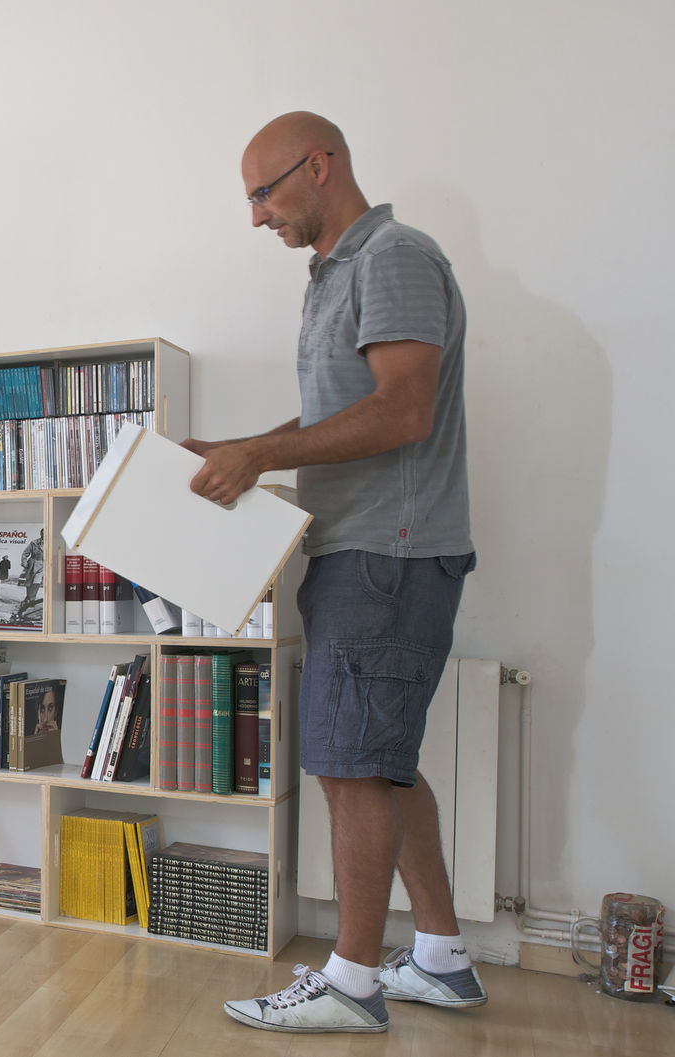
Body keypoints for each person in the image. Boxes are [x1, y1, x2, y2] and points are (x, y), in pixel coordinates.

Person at [191, 112, 482, 1035]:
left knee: (354, 766)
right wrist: (248, 451)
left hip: (386, 553)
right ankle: (441, 954)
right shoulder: (333, 275)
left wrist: (260, 457)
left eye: (264, 191)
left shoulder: (392, 255)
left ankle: (353, 981)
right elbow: (341, 415)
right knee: (384, 762)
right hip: (362, 549)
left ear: (320, 166)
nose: (255, 215)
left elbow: (403, 412)